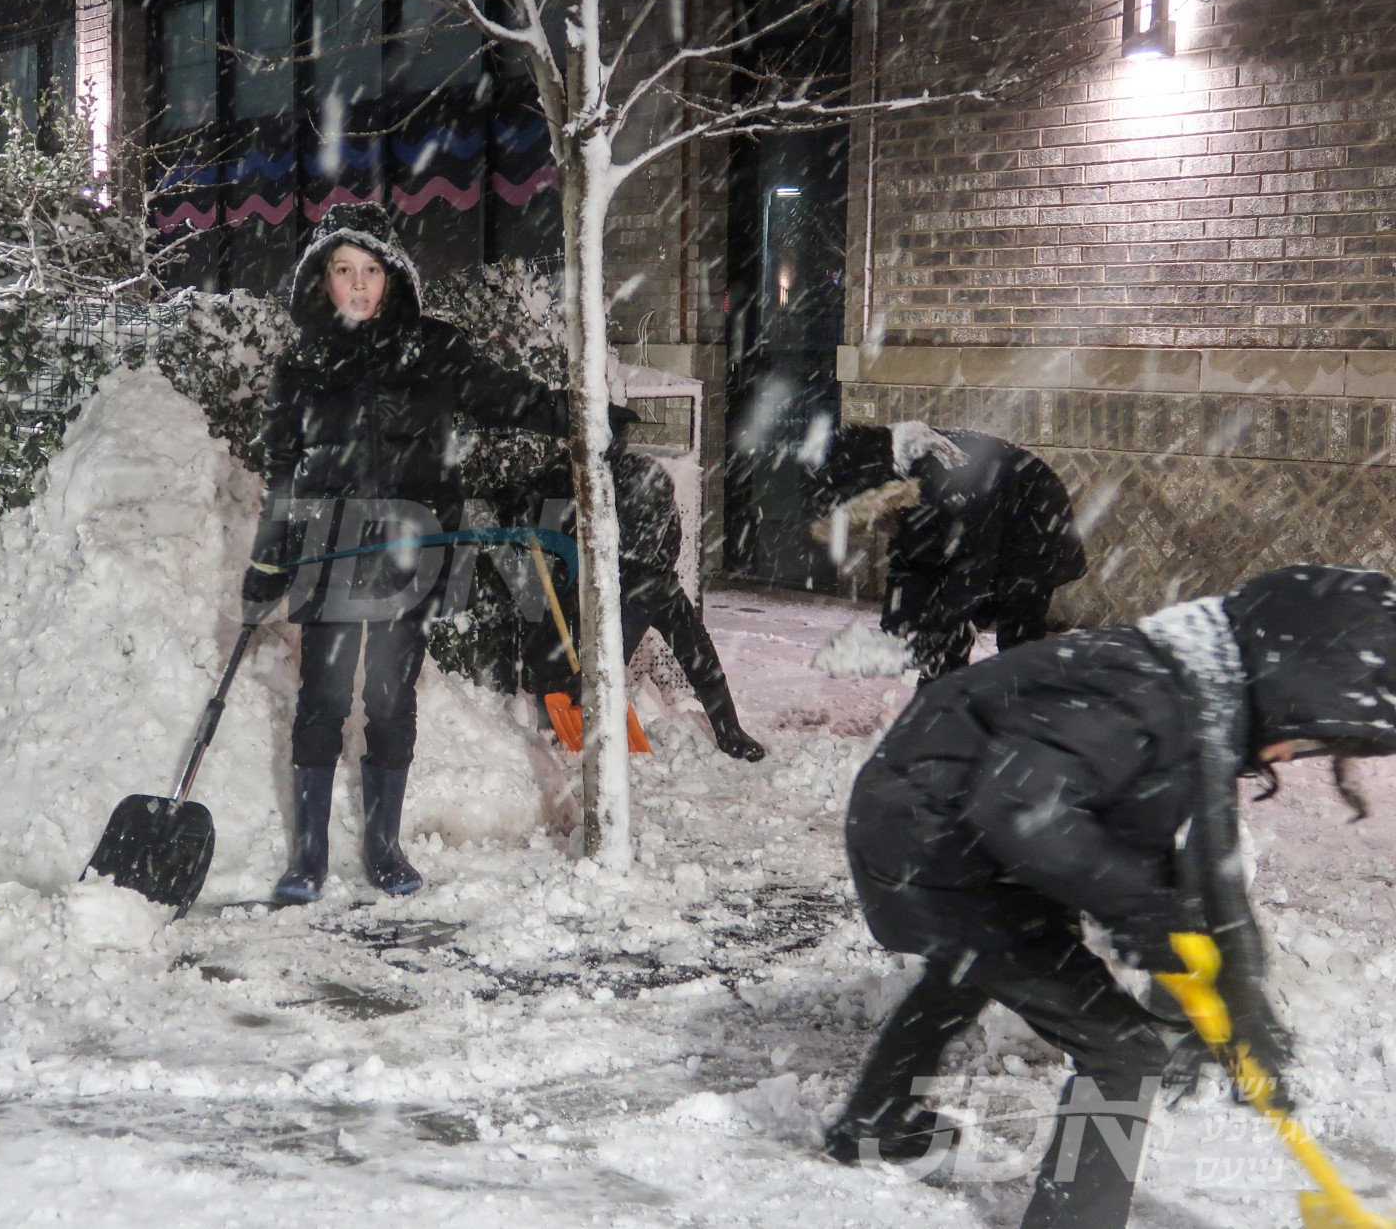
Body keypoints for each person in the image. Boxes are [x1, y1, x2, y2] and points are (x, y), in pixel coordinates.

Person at [826, 564, 1396, 1229]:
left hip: (942, 837)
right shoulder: (1144, 689)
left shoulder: (1195, 691)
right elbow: (1022, 807)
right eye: (1303, 735)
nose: (1286, 752)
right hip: (934, 847)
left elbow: (1182, 857)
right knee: (1121, 1048)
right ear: (1285, 678)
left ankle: (874, 1120)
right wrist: (1148, 912)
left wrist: (1239, 998)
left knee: (970, 967)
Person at [242, 201, 600, 905]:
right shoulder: (302, 364)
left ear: (392, 276)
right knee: (319, 698)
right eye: (343, 270)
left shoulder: (431, 349)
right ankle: (307, 854)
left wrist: (578, 415)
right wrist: (267, 561)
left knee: (389, 698)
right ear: (322, 279)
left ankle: (383, 845)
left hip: (413, 548)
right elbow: (283, 472)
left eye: (370, 270)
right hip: (327, 549)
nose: (358, 284)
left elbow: (504, 397)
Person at [520, 425, 765, 761]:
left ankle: (729, 728)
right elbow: (539, 489)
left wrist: (602, 670)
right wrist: (526, 500)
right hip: (600, 571)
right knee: (554, 634)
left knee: (696, 649)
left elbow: (628, 616)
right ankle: (552, 718)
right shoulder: (581, 476)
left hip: (652, 578)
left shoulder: (653, 488)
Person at [811, 422, 1085, 681]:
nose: (874, 523)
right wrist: (895, 629)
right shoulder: (901, 474)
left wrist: (931, 636)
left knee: (1015, 635)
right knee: (946, 635)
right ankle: (939, 710)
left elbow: (971, 567)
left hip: (1035, 530)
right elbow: (911, 558)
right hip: (991, 528)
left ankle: (1025, 712)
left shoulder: (946, 470)